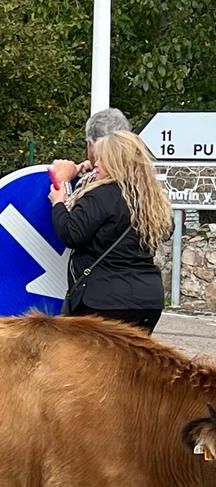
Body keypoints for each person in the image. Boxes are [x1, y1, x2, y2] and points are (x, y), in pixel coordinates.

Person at [49, 130, 173, 334]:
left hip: (103, 299)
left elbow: (72, 234)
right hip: (148, 299)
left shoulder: (100, 196)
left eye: (102, 159)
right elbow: (167, 231)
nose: (96, 164)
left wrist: (59, 203)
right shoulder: (152, 200)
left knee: (94, 363)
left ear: (116, 162)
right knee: (133, 363)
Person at [60, 107, 132, 211]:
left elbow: (72, 223)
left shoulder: (103, 186)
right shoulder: (136, 178)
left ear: (92, 144)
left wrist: (63, 181)